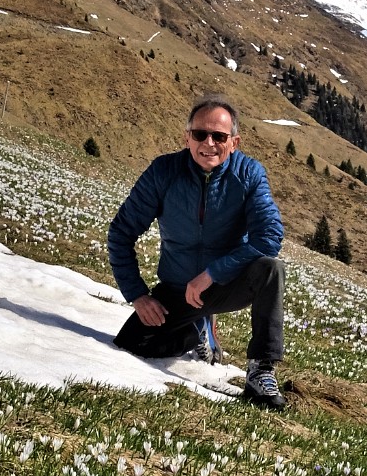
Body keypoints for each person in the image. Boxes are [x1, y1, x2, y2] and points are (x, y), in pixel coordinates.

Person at [108, 93, 287, 409]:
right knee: (132, 344)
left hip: (226, 285)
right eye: (200, 134)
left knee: (270, 269)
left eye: (219, 136)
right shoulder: (163, 172)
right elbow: (121, 233)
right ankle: (196, 331)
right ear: (186, 137)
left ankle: (261, 369)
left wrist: (213, 273)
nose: (209, 143)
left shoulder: (249, 174)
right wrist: (137, 295)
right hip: (177, 289)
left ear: (234, 142)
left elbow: (269, 237)